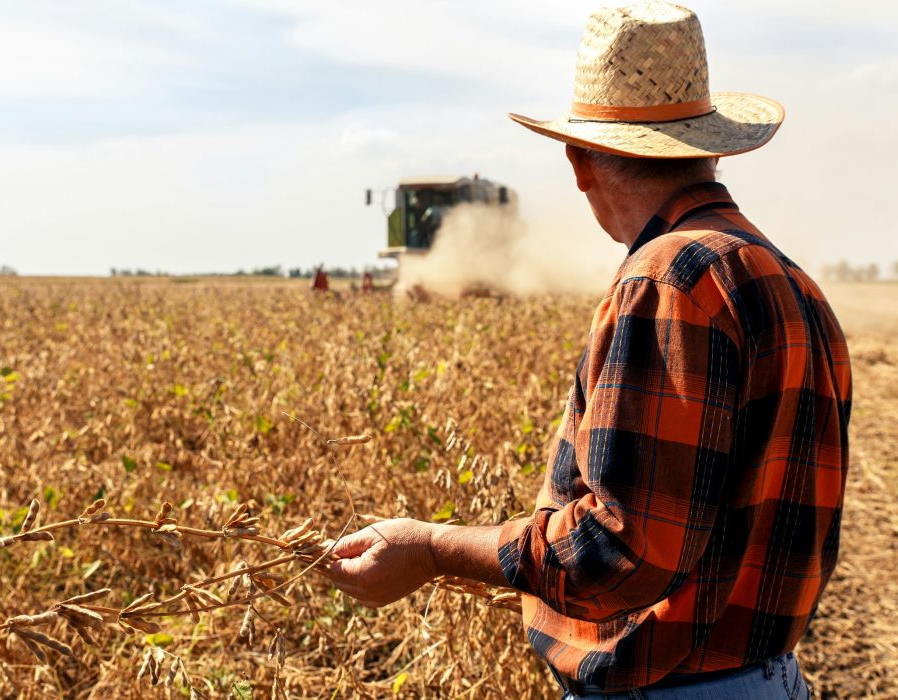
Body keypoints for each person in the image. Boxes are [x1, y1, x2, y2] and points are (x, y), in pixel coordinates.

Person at [324, 2, 851, 698]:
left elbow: (617, 554)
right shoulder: (791, 283)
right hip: (771, 678)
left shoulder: (669, 280)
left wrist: (431, 547)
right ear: (710, 148)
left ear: (579, 162)